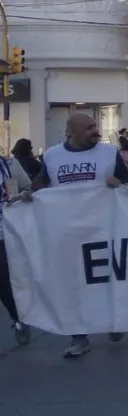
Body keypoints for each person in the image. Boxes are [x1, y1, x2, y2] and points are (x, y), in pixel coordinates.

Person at [24, 112, 128, 358]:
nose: (96, 131)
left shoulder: (108, 153)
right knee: (72, 286)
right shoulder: (51, 155)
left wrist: (119, 184)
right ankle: (79, 337)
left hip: (103, 230)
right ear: (71, 132)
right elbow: (42, 182)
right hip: (66, 234)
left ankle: (112, 321)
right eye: (89, 127)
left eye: (96, 125)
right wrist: (29, 194)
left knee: (107, 279)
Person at [0, 145, 33, 346]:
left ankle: (18, 317)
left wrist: (24, 195)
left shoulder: (7, 164)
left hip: (2, 231)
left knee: (3, 281)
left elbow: (25, 186)